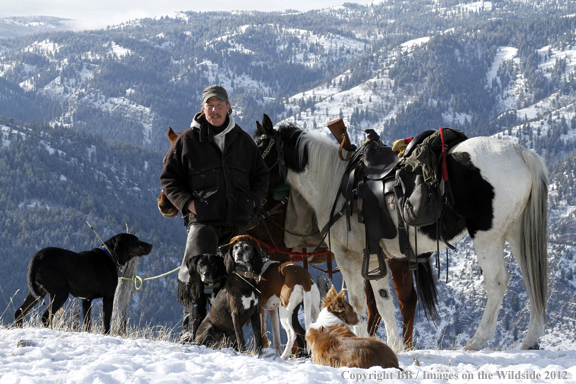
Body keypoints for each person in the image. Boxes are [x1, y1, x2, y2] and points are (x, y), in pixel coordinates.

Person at [160, 85, 269, 342]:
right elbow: (169, 179)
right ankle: (192, 328)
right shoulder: (188, 140)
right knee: (195, 272)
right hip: (204, 221)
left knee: (237, 276)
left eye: (220, 105)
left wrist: (253, 202)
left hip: (236, 222)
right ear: (203, 109)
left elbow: (261, 175)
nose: (215, 110)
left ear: (229, 107)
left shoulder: (243, 140)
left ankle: (230, 335)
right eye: (210, 105)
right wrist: (188, 204)